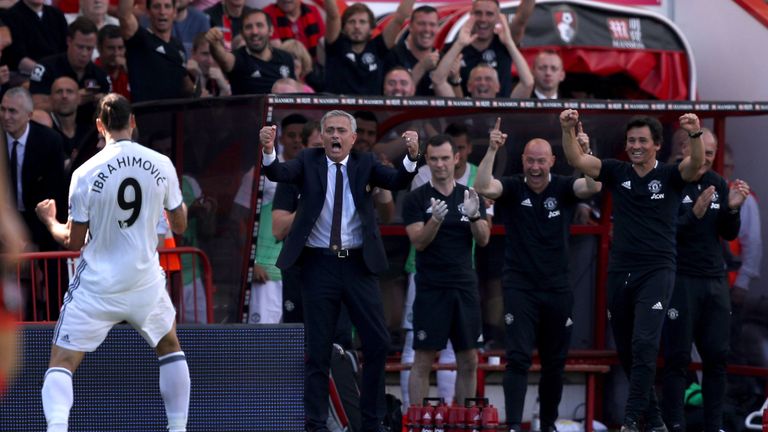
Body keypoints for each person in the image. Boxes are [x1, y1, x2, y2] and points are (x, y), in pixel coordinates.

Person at [35, 93, 190, 432]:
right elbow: (179, 225)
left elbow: (74, 242)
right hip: (143, 281)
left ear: (99, 126)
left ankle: (57, 428)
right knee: (169, 347)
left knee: (62, 362)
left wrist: (49, 220)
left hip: (98, 286)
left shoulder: (85, 172)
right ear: (133, 123)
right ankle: (178, 429)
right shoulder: (161, 164)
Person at [260, 110, 420, 432]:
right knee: (318, 350)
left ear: (352, 137)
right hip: (319, 265)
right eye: (329, 130)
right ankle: (316, 424)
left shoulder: (365, 163)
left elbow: (398, 180)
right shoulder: (307, 160)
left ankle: (371, 420)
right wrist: (268, 150)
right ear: (321, 136)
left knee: (376, 342)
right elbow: (278, 171)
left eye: (341, 131)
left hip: (358, 265)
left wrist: (412, 155)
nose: (335, 136)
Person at [560, 109, 705, 431]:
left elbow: (695, 165)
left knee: (644, 343)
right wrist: (566, 129)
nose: (636, 145)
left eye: (642, 140)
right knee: (626, 348)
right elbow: (579, 162)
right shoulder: (616, 170)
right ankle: (653, 420)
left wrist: (695, 134)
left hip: (657, 269)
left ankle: (629, 420)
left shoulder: (669, 175)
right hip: (620, 270)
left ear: (656, 145)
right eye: (631, 140)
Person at [474, 118, 601, 432]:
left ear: (552, 162)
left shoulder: (562, 186)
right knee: (517, 358)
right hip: (520, 287)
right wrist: (491, 149)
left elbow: (593, 185)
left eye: (541, 161)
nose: (535, 167)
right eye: (530, 160)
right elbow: (483, 186)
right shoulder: (515, 186)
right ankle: (515, 424)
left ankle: (547, 424)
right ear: (523, 161)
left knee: (554, 363)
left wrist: (585, 154)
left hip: (558, 287)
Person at [660, 128, 750, 432]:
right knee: (676, 358)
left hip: (713, 279)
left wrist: (733, 209)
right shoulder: (670, 181)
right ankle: (675, 424)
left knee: (717, 357)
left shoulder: (716, 183)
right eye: (702, 151)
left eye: (711, 153)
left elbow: (728, 233)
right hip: (680, 279)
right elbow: (661, 232)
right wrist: (693, 214)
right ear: (686, 148)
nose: (707, 158)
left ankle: (714, 425)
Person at [403, 134, 490, 408]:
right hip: (431, 288)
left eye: (445, 158)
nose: (440, 165)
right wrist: (435, 221)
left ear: (456, 158)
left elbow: (484, 239)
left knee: (469, 359)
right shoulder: (416, 199)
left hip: (464, 286)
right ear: (427, 161)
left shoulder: (470, 195)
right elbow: (419, 241)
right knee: (423, 359)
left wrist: (475, 215)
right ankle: (418, 422)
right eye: (433, 159)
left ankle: (463, 420)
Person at [2, 87, 67, 321]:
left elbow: (55, 193)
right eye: (3, 110)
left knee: (52, 262)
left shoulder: (49, 141)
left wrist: (31, 239)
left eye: (13, 111)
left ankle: (53, 318)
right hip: (4, 218)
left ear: (29, 115)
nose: (6, 116)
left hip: (40, 216)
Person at [442, 0, 535, 97]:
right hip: (465, 111)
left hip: (501, 111)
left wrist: (509, 43)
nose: (483, 19)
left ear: (498, 17)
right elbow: (438, 82)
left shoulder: (505, 43)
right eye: (478, 13)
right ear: (470, 15)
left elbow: (521, 20)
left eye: (489, 14)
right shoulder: (453, 49)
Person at [323, 1, 412, 95]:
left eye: (362, 22)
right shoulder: (336, 46)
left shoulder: (379, 47)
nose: (357, 26)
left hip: (372, 109)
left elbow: (399, 18)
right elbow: (333, 16)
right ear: (343, 28)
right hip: (339, 109)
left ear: (371, 29)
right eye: (351, 22)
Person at [29, 17, 111, 115]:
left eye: (89, 49)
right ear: (69, 41)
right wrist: (74, 100)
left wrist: (103, 103)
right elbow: (35, 108)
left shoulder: (101, 76)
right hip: (52, 127)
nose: (84, 53)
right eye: (80, 47)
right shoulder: (45, 69)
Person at [206, 9, 295, 95]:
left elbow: (295, 91)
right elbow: (223, 58)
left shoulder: (285, 58)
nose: (254, 32)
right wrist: (214, 44)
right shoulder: (238, 58)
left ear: (270, 30)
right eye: (248, 27)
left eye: (259, 25)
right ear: (242, 33)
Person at [119, 0, 193, 102]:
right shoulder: (140, 38)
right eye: (156, 6)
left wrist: (196, 89)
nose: (162, 12)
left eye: (167, 6)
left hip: (174, 115)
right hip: (145, 115)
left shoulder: (178, 46)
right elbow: (124, 16)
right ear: (148, 12)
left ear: (175, 12)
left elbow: (185, 87)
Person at [1, 0, 69, 77]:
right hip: (27, 76)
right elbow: (17, 59)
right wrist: (47, 73)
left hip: (60, 75)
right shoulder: (10, 16)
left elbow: (67, 49)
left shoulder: (57, 14)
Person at [384, 5, 440, 96]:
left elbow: (458, 105)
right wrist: (421, 67)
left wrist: (455, 79)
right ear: (410, 27)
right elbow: (396, 97)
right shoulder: (394, 55)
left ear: (438, 27)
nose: (427, 29)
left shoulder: (443, 58)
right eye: (421, 24)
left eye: (432, 24)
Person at [188, 32, 232, 97]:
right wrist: (199, 78)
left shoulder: (228, 75)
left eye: (214, 54)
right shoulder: (185, 77)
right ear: (193, 53)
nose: (210, 61)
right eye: (205, 54)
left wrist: (224, 88)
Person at [94, 25, 130, 100]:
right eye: (111, 48)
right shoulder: (91, 73)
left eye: (120, 48)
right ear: (99, 48)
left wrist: (130, 73)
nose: (116, 53)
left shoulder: (131, 72)